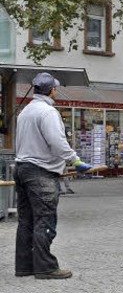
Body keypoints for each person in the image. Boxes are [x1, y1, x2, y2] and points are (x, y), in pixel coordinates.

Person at [14, 72, 92, 279]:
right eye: (56, 88)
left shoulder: (26, 111)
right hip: (40, 172)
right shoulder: (48, 112)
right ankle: (45, 267)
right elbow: (57, 142)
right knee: (45, 219)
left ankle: (24, 265)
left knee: (26, 220)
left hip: (22, 167)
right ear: (51, 90)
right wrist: (75, 160)